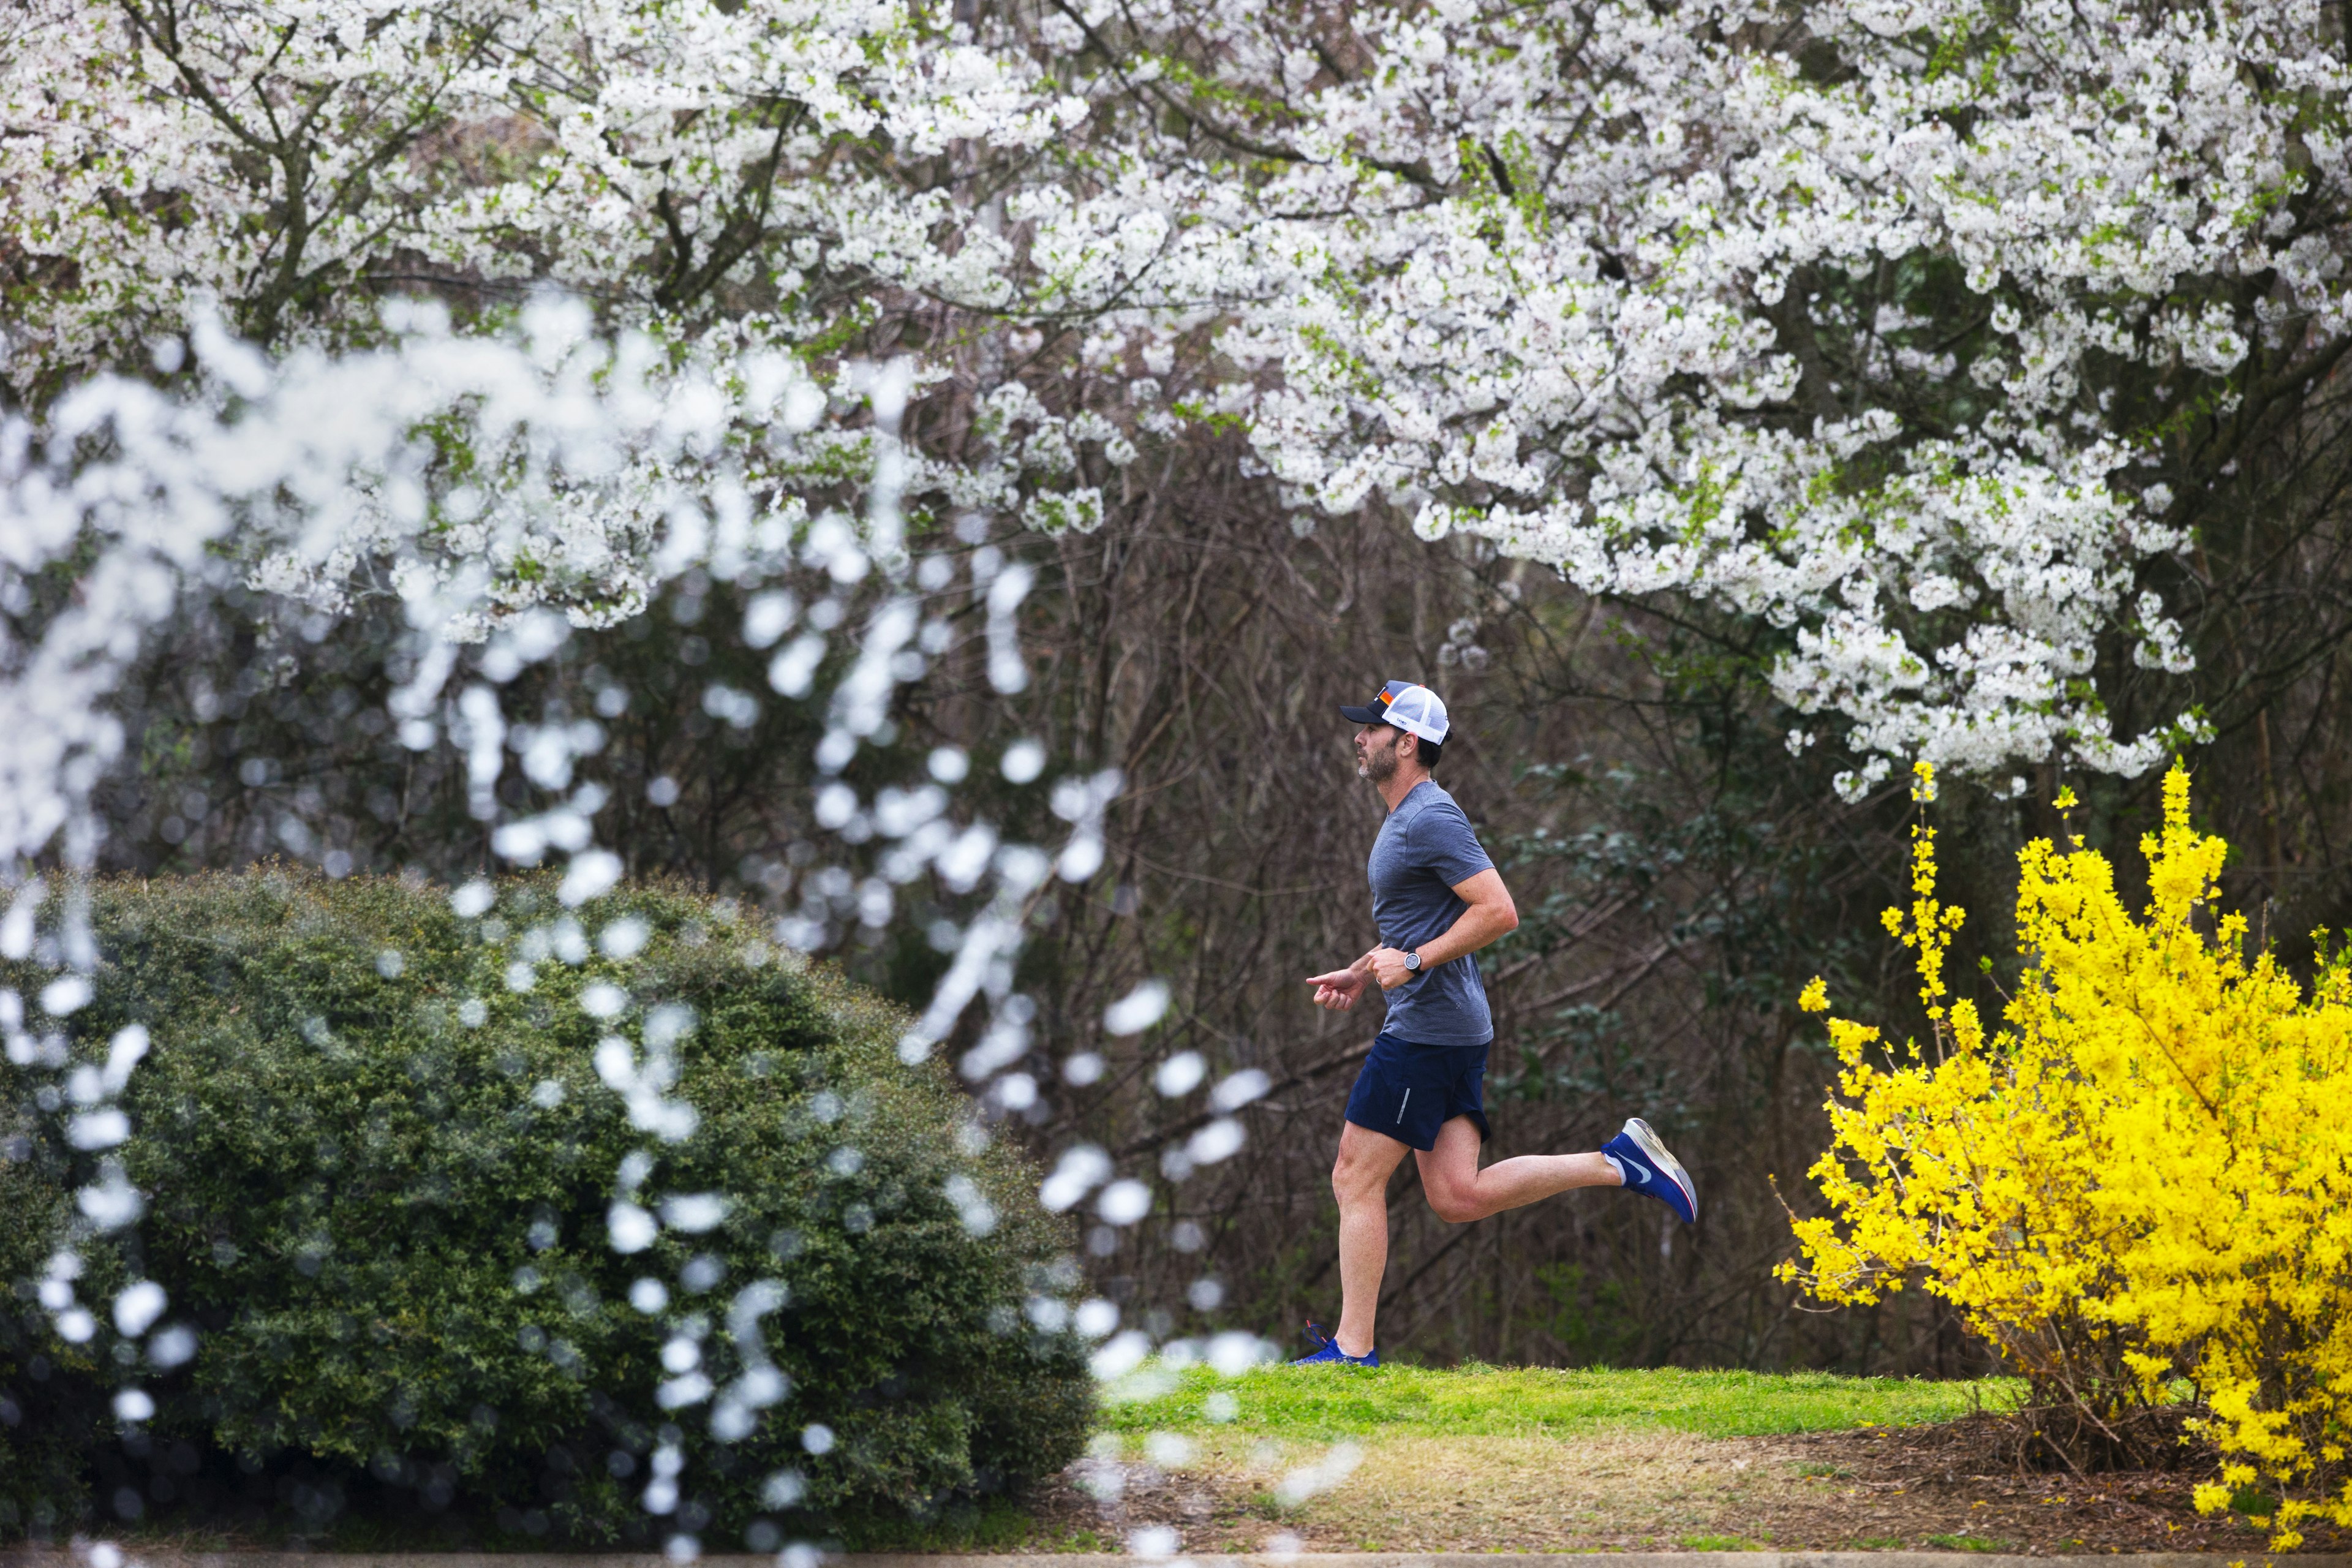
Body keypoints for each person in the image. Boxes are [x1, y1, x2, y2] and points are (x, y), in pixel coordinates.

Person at [1290, 679, 1697, 1368]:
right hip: (1449, 1025)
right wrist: (1365, 970)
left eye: (1372, 730)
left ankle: (1352, 1350)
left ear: (1408, 742)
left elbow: (1499, 911)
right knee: (1455, 1196)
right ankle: (1617, 1162)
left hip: (1426, 1029)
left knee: (1353, 1178)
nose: (1360, 739)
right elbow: (1419, 924)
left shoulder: (1430, 818)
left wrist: (1413, 963)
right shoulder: (1407, 819)